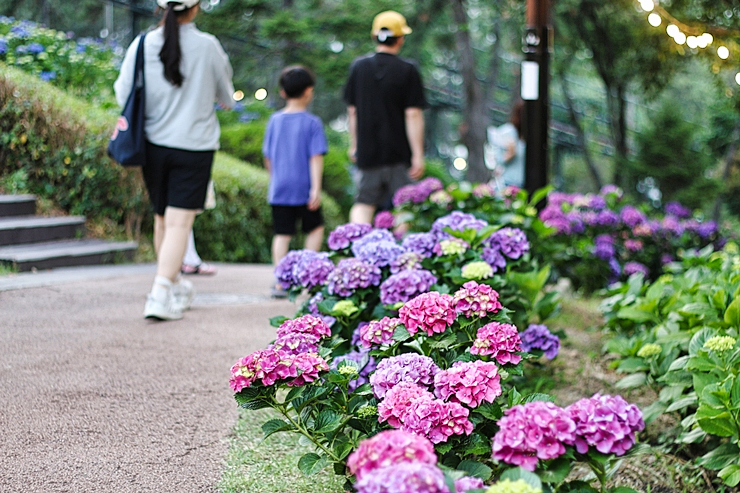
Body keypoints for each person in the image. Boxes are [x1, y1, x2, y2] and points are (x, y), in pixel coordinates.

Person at [114, 0, 235, 320]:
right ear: (194, 8)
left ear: (160, 8)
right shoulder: (208, 46)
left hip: (152, 145)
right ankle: (159, 293)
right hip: (194, 146)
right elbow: (227, 98)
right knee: (180, 222)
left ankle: (175, 283)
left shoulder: (142, 44)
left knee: (163, 219)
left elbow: (123, 92)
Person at [343, 10, 427, 225]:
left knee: (363, 203)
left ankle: (355, 248)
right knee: (404, 206)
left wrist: (355, 145)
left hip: (368, 152)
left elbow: (352, 111)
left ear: (374, 36)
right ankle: (402, 255)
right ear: (400, 39)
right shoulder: (408, 70)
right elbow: (413, 114)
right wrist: (418, 154)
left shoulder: (358, 67)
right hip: (399, 154)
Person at [262, 65, 328, 298]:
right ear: (309, 91)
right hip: (303, 188)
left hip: (279, 188)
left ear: (282, 92)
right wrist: (316, 189)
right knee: (315, 228)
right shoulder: (312, 123)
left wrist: (275, 180)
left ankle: (281, 282)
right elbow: (315, 157)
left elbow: (268, 157)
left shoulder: (274, 120)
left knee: (282, 234)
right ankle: (309, 277)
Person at [487, 99, 525, 188]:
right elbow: (498, 160)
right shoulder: (508, 132)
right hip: (509, 184)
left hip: (527, 185)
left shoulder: (533, 136)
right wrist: (511, 152)